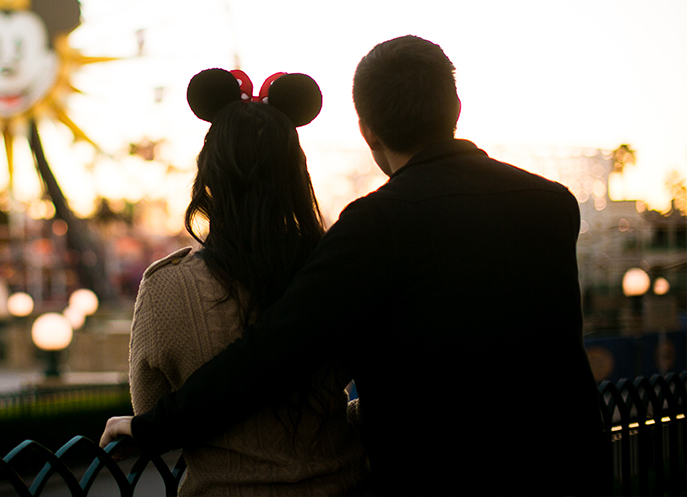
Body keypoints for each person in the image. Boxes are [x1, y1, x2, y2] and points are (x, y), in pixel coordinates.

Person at [103, 36, 607, 496]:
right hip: (569, 465)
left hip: (441, 475)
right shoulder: (552, 203)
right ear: (455, 107)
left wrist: (150, 429)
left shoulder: (375, 226)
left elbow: (272, 352)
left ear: (366, 130)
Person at [123, 68, 365, 495]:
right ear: (297, 176)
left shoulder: (164, 289)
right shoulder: (339, 274)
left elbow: (150, 413)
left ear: (209, 177)